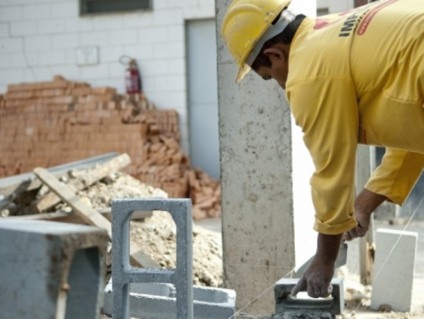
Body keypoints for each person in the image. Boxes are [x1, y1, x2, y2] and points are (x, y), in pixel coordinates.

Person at [221, 0, 424, 298]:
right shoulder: (332, 33)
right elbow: (414, 129)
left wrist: (324, 259)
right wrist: (363, 205)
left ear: (274, 54)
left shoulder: (308, 72)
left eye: (268, 77)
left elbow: (332, 172)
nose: (279, 86)